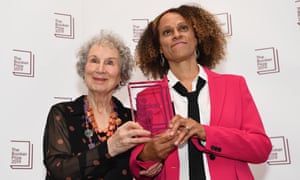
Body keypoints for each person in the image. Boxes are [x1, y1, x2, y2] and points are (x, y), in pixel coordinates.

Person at [129, 4, 272, 180]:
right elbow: (139, 168)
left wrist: (205, 133)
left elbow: (260, 148)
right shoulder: (147, 97)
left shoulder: (234, 85)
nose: (176, 34)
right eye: (167, 32)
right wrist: (149, 154)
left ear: (196, 37)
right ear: (159, 47)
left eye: (183, 28)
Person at [43, 30, 156, 180]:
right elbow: (58, 171)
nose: (100, 69)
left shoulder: (133, 119)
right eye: (94, 61)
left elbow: (142, 163)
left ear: (121, 75)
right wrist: (109, 148)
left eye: (110, 63)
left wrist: (148, 166)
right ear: (84, 69)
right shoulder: (62, 113)